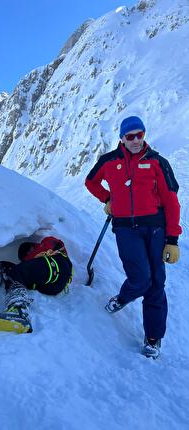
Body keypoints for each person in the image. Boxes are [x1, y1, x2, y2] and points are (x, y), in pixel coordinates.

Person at [85, 116, 181, 359]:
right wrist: (107, 199)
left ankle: (153, 338)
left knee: (156, 282)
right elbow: (91, 181)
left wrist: (172, 239)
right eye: (130, 136)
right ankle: (124, 297)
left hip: (156, 230)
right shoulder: (109, 161)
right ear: (122, 138)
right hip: (126, 229)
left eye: (140, 135)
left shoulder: (158, 162)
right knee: (141, 278)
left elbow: (171, 202)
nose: (136, 140)